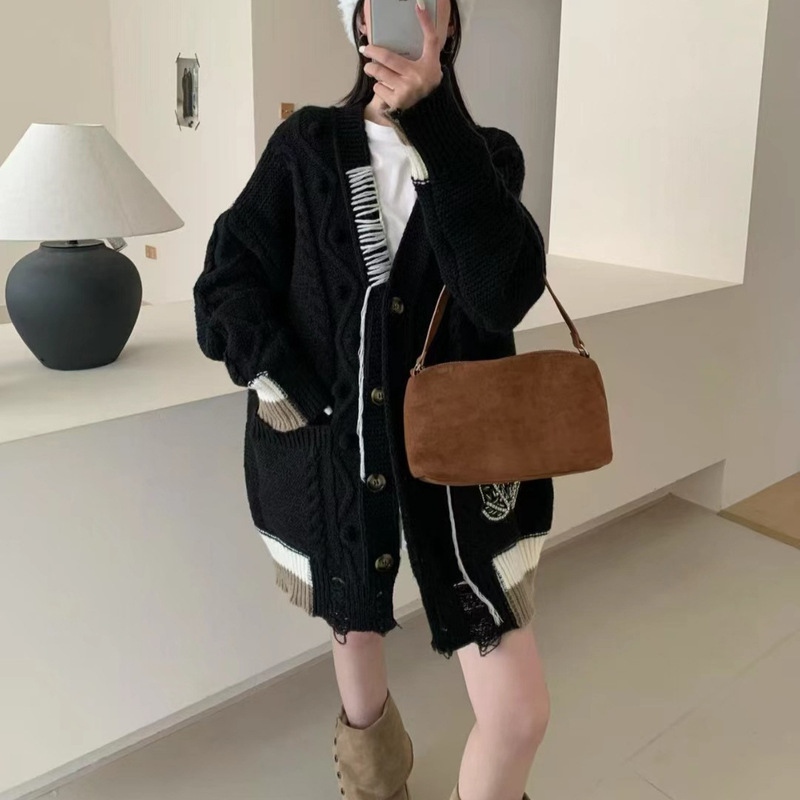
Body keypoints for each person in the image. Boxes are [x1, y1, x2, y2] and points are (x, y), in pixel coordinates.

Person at [193, 1, 552, 798]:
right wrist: (293, 388)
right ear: (359, 23)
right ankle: (375, 782)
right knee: (353, 618)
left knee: (519, 715)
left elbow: (501, 294)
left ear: (449, 25)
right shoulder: (307, 146)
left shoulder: (488, 155)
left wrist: (434, 123)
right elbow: (228, 278)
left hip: (465, 466)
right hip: (335, 449)